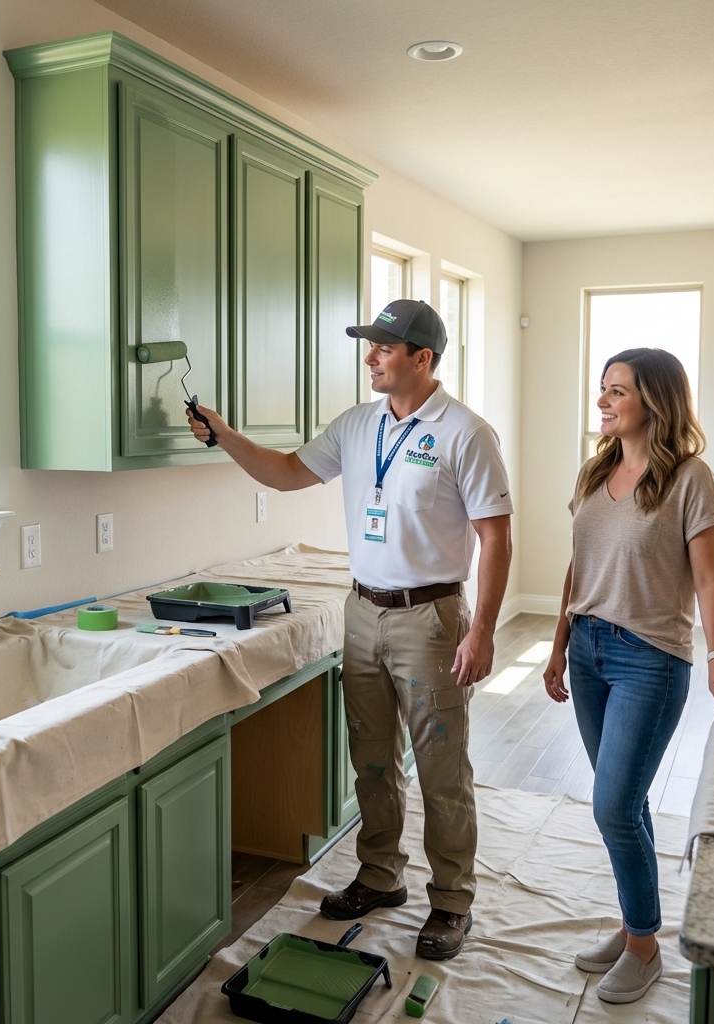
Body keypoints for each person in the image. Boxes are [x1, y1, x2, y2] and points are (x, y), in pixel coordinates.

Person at [186, 298, 513, 960]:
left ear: (423, 359)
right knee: (370, 759)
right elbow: (284, 473)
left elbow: (496, 537)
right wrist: (223, 435)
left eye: (384, 348)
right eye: (370, 345)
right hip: (361, 611)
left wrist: (481, 632)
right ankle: (380, 874)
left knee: (441, 769)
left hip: (432, 618)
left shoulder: (465, 432)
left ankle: (452, 900)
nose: (370, 356)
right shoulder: (357, 425)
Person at [542, 348, 714, 1003]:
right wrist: (557, 647)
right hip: (586, 651)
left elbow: (708, 577)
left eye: (617, 392)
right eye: (603, 390)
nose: (603, 401)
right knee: (626, 803)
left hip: (650, 659)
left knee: (612, 804)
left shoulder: (691, 478)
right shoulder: (597, 471)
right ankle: (633, 925)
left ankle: (645, 950)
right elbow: (576, 567)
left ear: (656, 402)